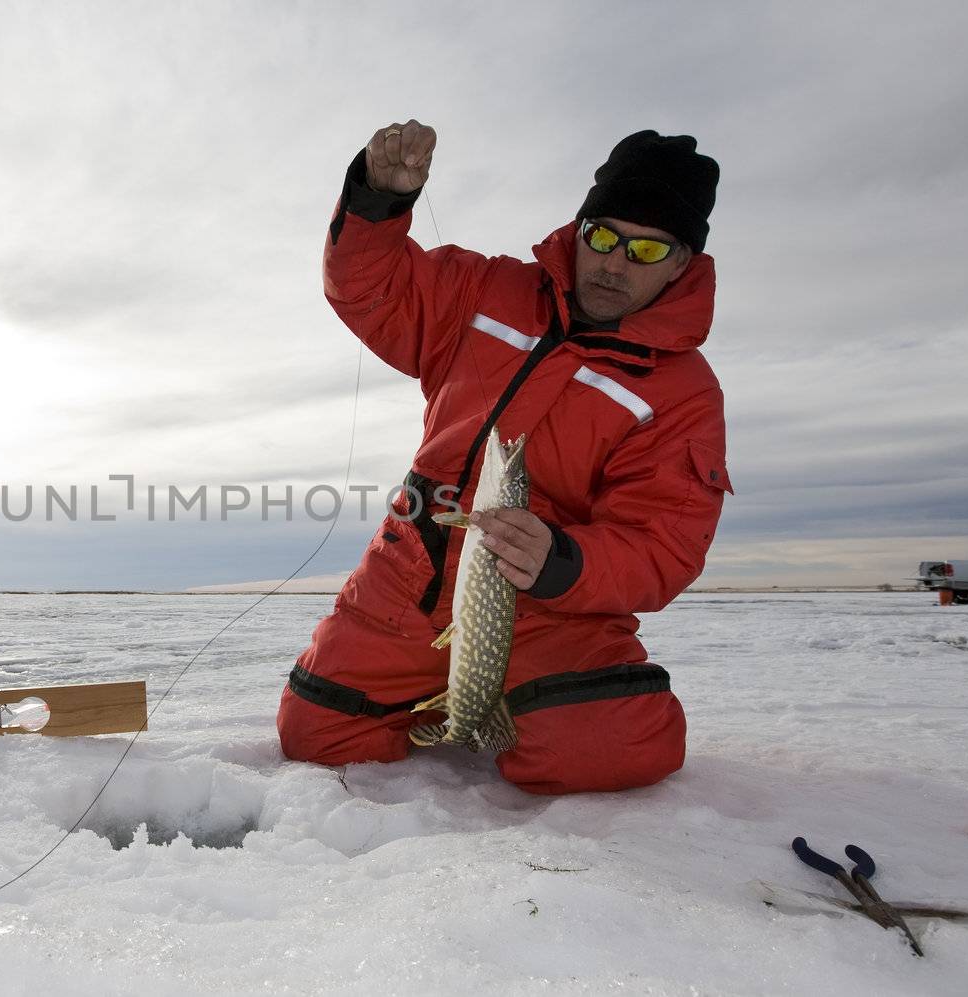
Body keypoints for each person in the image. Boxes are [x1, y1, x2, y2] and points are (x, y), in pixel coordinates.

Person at [277, 122, 732, 795]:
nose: (613, 263)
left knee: (617, 743)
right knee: (314, 732)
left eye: (645, 249)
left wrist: (562, 561)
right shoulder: (485, 290)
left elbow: (663, 544)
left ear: (681, 263)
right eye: (601, 236)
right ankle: (446, 702)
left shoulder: (683, 393)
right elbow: (369, 290)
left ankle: (510, 704)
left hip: (551, 609)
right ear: (578, 229)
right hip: (411, 572)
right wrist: (378, 201)